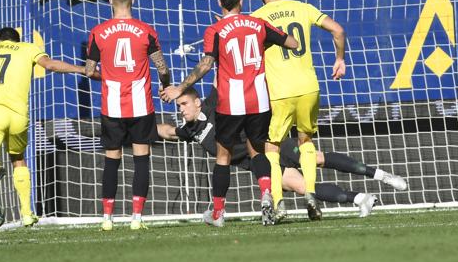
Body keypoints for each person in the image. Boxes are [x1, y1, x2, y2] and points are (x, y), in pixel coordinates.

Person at [161, 0, 299, 227]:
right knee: (257, 151)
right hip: (259, 100)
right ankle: (266, 195)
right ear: (241, 2)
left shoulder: (215, 30)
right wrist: (262, 42)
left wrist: (180, 88)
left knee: (223, 157)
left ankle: (218, 213)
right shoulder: (258, 24)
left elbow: (205, 64)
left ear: (219, 3)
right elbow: (292, 43)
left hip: (232, 102)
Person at [157, 86, 407, 219]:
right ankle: (361, 199)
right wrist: (134, 124)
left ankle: (382, 176)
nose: (181, 110)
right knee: (302, 187)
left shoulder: (213, 104)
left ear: (197, 102)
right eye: (179, 106)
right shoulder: (189, 131)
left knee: (317, 159)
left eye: (183, 104)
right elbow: (166, 132)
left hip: (272, 145)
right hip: (260, 164)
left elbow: (220, 75)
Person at [0, 27, 92, 227]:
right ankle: (27, 214)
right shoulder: (28, 48)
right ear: (16, 40)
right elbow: (50, 65)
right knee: (18, 158)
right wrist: (81, 69)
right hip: (19, 115)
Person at [251, 0, 349, 221]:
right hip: (309, 87)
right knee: (305, 141)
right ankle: (311, 196)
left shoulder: (256, 18)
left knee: (271, 147)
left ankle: (279, 203)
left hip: (280, 91)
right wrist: (340, 59)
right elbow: (337, 30)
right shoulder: (303, 7)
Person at [85, 0, 171, 231]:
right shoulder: (145, 31)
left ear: (110, 1)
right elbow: (162, 68)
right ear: (132, 1)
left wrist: (109, 77)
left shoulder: (98, 32)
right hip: (140, 105)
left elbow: (90, 71)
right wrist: (165, 84)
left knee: (112, 160)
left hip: (112, 106)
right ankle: (136, 218)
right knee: (141, 159)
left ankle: (107, 219)